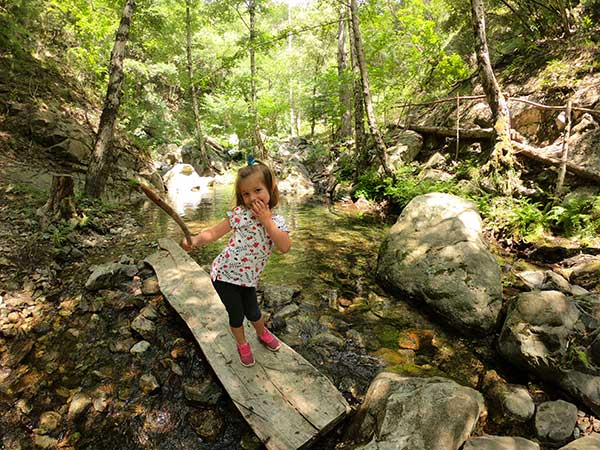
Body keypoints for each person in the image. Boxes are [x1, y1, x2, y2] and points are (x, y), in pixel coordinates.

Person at [182, 158, 291, 367]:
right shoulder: (240, 214)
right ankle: (242, 344)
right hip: (224, 275)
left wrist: (266, 221)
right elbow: (214, 232)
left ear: (271, 188)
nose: (252, 198)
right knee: (237, 314)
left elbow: (284, 247)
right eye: (246, 194)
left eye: (258, 190)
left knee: (254, 311)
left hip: (248, 278)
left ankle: (261, 332)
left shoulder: (277, 222)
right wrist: (194, 240)